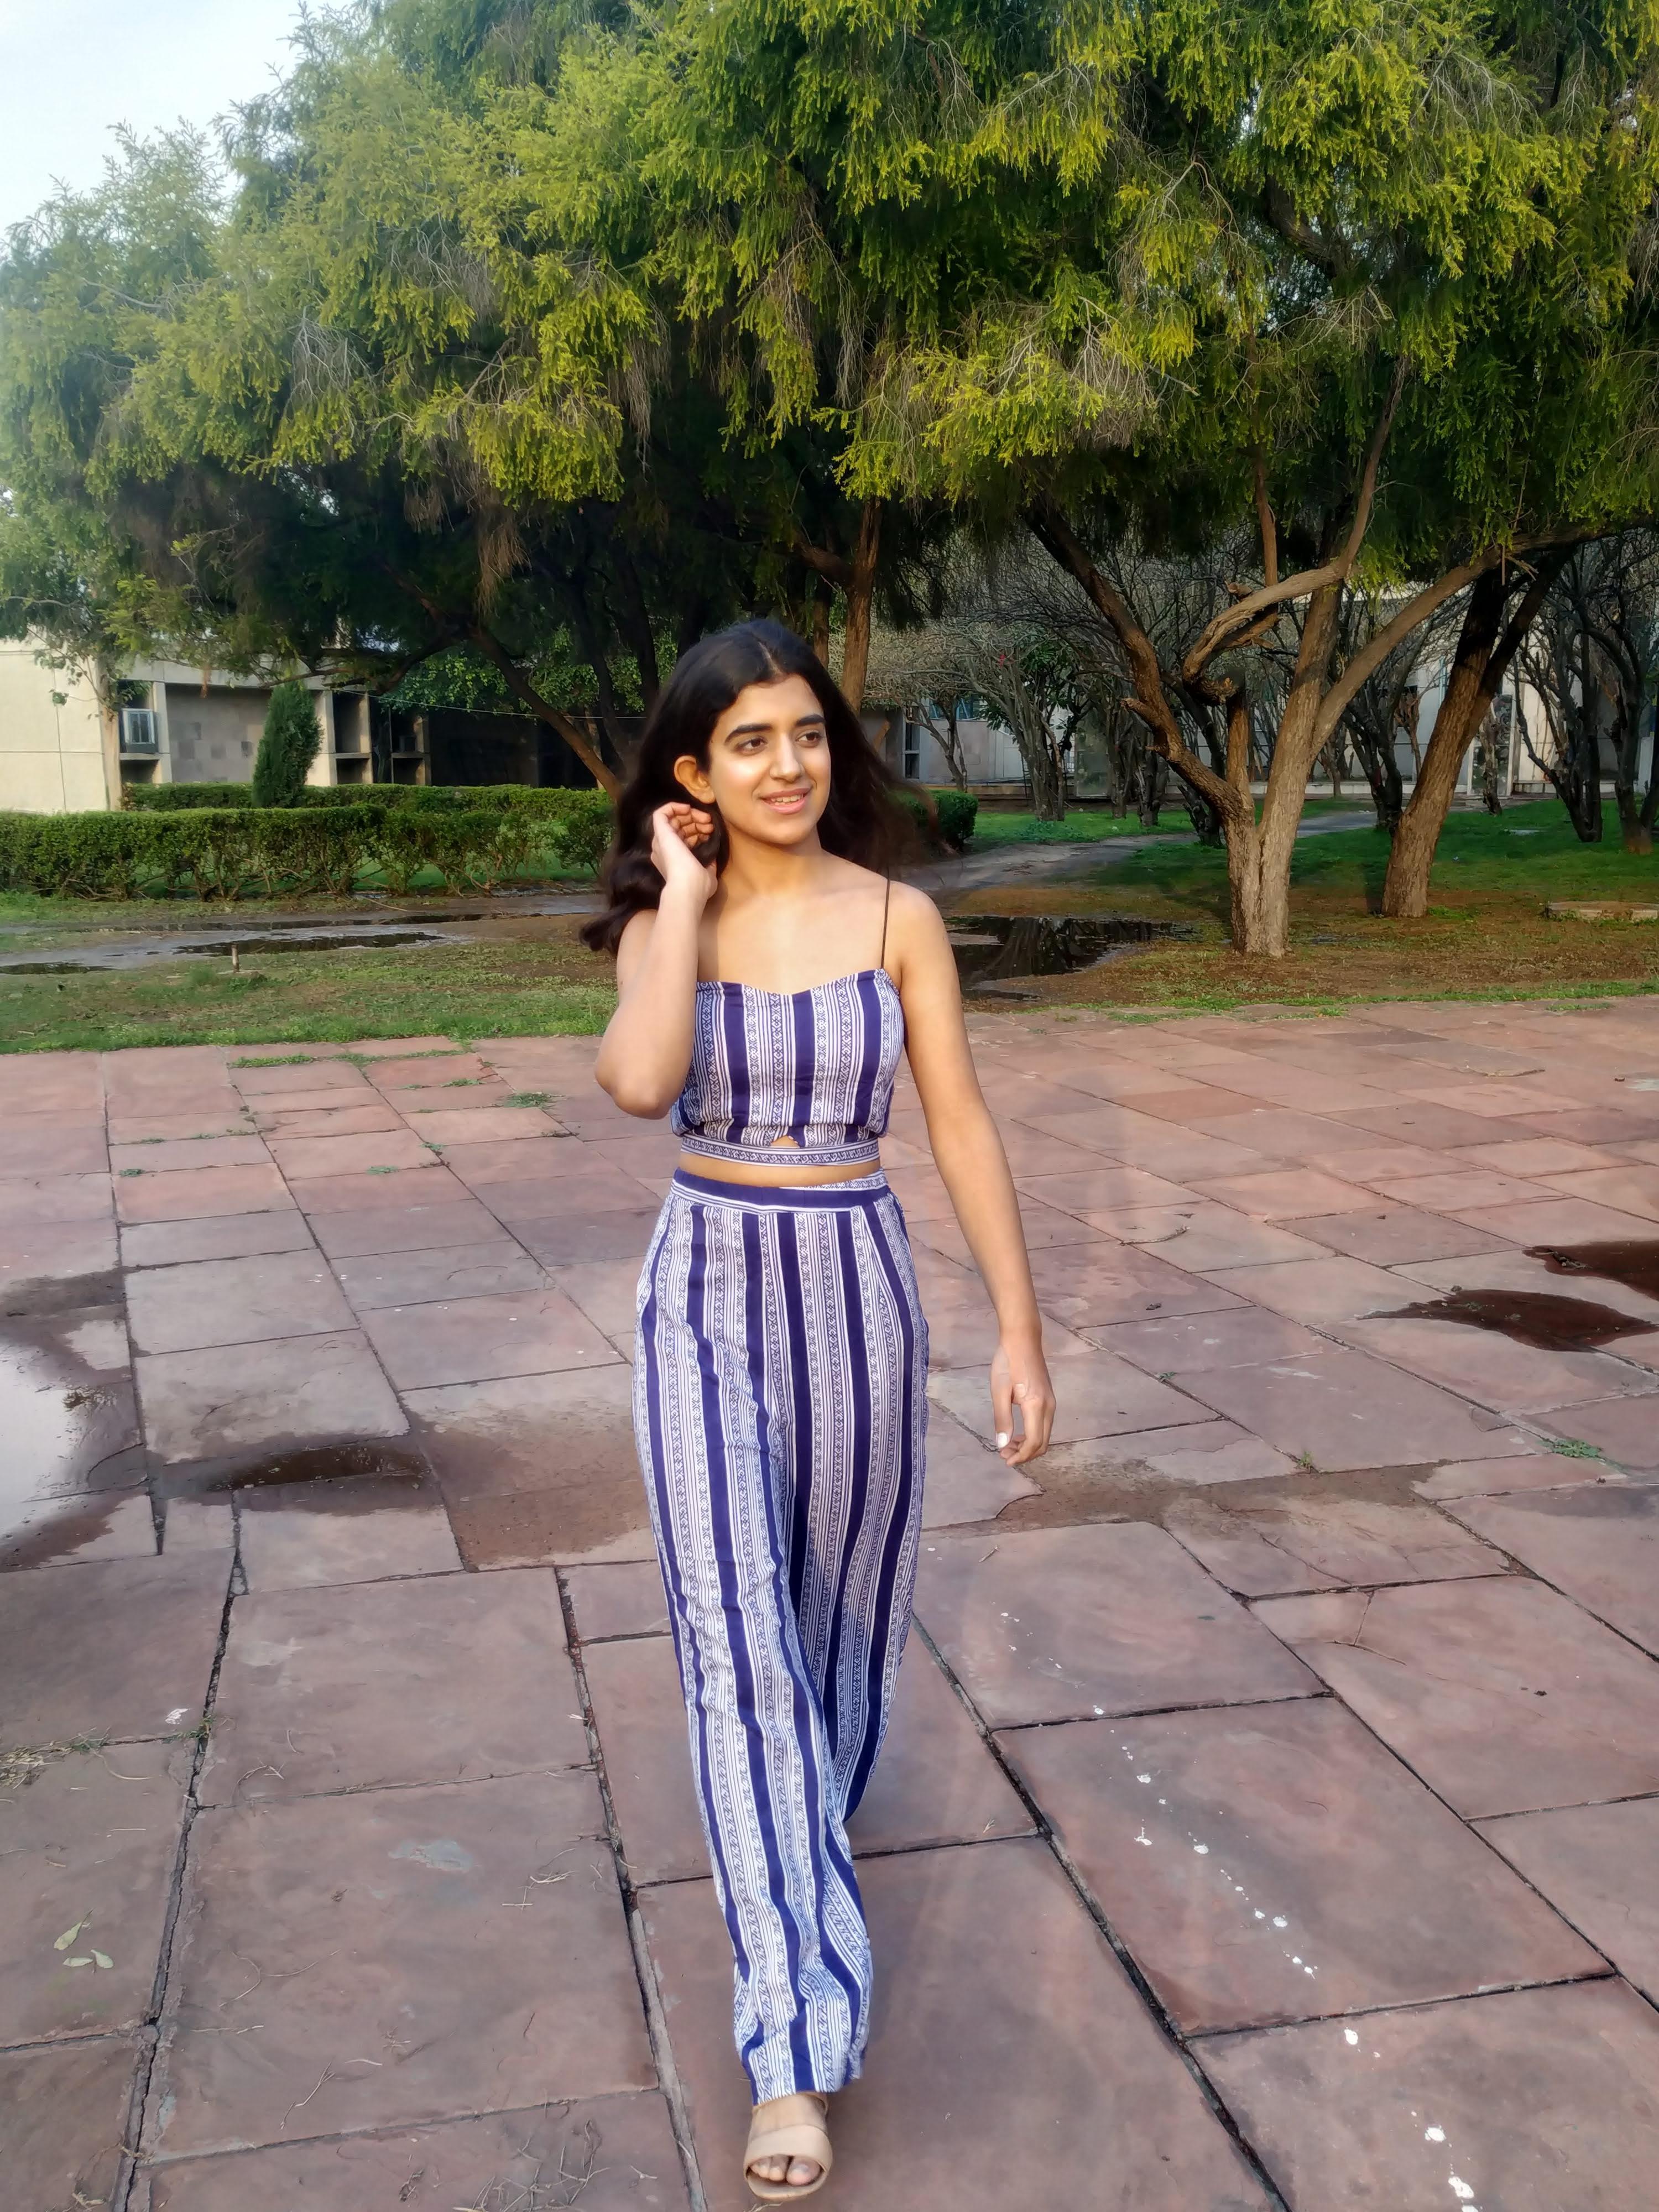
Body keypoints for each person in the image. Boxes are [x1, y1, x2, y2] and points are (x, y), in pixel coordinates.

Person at [585, 620, 1055, 2200]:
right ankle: (790, 2046)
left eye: (805, 734)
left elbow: (959, 1122)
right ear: (696, 772)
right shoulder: (670, 922)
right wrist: (684, 892)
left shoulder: (900, 917)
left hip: (860, 1296)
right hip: (705, 1303)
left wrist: (1020, 1330)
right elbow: (640, 1084)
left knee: (840, 1634)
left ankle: (792, 1847)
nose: (787, 765)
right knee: (736, 1652)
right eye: (749, 743)